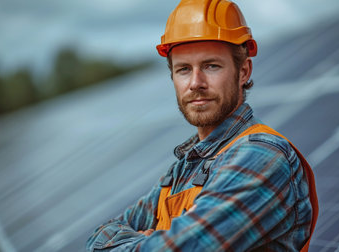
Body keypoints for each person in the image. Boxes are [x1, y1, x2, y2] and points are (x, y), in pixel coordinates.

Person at [86, 0, 318, 251]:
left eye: (211, 66)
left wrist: (146, 239)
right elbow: (97, 237)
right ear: (173, 77)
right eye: (184, 69)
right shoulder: (182, 169)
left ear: (243, 71)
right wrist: (151, 243)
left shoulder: (263, 157)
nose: (196, 82)